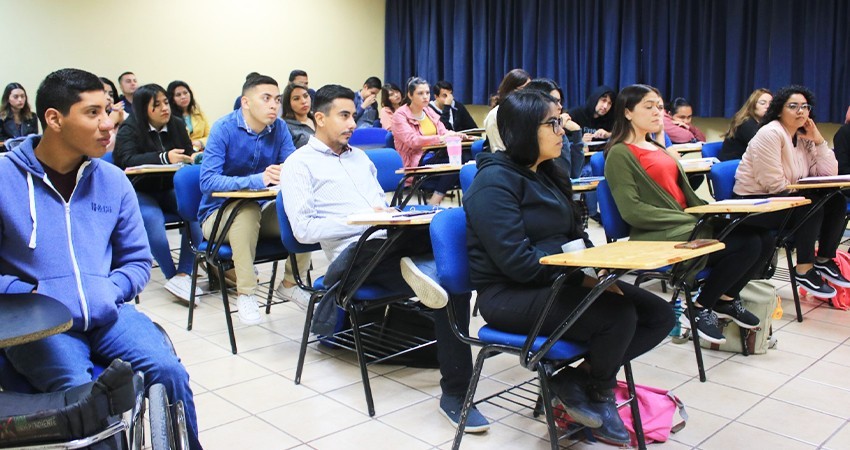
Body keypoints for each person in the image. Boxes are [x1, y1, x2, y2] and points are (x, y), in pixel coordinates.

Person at [0, 68, 202, 449]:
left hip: (108, 312)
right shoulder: (4, 180)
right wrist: (34, 294)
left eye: (108, 110)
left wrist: (105, 291)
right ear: (54, 119)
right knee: (84, 400)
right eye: (92, 113)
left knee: (168, 371)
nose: (108, 124)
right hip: (41, 324)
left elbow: (138, 262)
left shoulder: (113, 180)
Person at [465, 89, 674, 446]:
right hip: (509, 295)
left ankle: (576, 381)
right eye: (553, 123)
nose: (563, 131)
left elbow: (575, 239)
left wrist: (597, 273)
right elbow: (518, 264)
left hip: (556, 280)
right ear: (524, 129)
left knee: (658, 314)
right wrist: (581, 276)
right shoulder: (493, 182)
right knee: (617, 315)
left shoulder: (548, 173)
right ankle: (601, 392)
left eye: (560, 122)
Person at [280, 84, 489, 434]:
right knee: (434, 261)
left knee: (448, 251)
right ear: (319, 118)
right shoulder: (298, 165)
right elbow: (302, 230)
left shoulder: (360, 158)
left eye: (352, 115)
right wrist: (359, 219)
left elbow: (383, 207)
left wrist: (391, 217)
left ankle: (455, 394)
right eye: (343, 115)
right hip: (353, 260)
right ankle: (422, 267)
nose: (352, 123)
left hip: (388, 245)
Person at [604, 84, 770, 344]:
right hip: (657, 232)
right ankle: (700, 307)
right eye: (648, 107)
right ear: (627, 112)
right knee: (746, 243)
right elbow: (633, 211)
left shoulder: (657, 148)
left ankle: (725, 299)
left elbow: (682, 196)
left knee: (763, 236)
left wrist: (708, 212)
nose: (657, 112)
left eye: (659, 106)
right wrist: (694, 219)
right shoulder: (619, 154)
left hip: (684, 223)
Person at [198, 73, 311, 325]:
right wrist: (257, 179)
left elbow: (290, 165)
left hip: (263, 210)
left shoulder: (279, 127)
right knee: (246, 211)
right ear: (246, 102)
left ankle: (291, 282)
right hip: (217, 216)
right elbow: (207, 181)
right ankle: (246, 293)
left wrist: (292, 172)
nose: (274, 105)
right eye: (266, 98)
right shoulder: (223, 128)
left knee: (299, 209)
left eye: (277, 99)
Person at [734, 85, 850, 298]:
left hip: (787, 199)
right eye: (793, 106)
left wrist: (818, 140)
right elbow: (774, 184)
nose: (801, 111)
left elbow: (827, 173)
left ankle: (824, 259)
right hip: (754, 203)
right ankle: (804, 269)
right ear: (779, 110)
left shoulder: (804, 135)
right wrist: (806, 192)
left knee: (836, 200)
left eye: (805, 107)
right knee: (811, 204)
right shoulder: (770, 133)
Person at [113, 83, 203, 303]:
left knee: (196, 215)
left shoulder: (177, 125)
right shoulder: (130, 128)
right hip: (142, 190)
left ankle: (184, 273)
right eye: (157, 105)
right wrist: (163, 157)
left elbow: (188, 154)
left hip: (170, 187)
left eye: (165, 102)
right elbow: (125, 160)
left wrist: (190, 158)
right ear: (144, 109)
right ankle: (172, 276)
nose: (165, 108)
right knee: (152, 221)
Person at [392, 77, 467, 206]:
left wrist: (453, 134)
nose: (425, 97)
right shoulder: (400, 115)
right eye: (420, 93)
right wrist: (440, 139)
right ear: (410, 95)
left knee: (467, 157)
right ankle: (434, 202)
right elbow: (413, 141)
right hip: (416, 161)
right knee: (456, 163)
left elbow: (442, 131)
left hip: (435, 155)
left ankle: (440, 201)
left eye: (427, 93)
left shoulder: (427, 111)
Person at [569, 86, 618, 223]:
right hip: (581, 160)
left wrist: (608, 134)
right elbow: (562, 138)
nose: (605, 106)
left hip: (601, 156)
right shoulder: (577, 114)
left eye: (609, 103)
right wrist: (578, 140)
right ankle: (592, 211)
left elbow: (621, 134)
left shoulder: (610, 118)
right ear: (595, 99)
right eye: (603, 100)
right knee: (589, 172)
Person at [482, 68, 531, 151]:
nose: (529, 94)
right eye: (523, 89)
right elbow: (499, 150)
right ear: (510, 90)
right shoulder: (495, 115)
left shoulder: (529, 112)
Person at [719, 89, 772, 161]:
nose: (767, 106)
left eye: (771, 103)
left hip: (749, 163)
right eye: (762, 103)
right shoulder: (746, 123)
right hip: (733, 165)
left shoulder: (765, 122)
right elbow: (762, 148)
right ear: (753, 105)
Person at [167, 80, 210, 151]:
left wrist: (201, 142)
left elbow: (210, 136)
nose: (183, 97)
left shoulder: (198, 112)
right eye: (178, 95)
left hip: (201, 151)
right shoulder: (170, 117)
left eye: (185, 93)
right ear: (172, 99)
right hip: (182, 153)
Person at [0, 83, 39, 149]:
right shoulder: (1, 119)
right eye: (16, 97)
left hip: (27, 152)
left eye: (22, 96)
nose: (20, 100)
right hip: (6, 153)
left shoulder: (32, 117)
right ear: (8, 99)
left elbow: (35, 139)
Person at [281, 82, 315, 148]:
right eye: (296, 98)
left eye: (306, 96)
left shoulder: (318, 119)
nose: (303, 101)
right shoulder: (285, 127)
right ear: (288, 103)